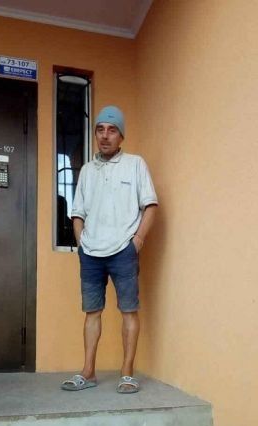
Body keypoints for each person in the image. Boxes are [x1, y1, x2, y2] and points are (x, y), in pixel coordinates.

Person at [61, 106, 158, 393]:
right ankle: (88, 372)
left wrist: (137, 241)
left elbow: (151, 205)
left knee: (129, 310)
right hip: (91, 252)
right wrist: (82, 243)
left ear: (121, 136)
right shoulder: (87, 171)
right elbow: (77, 212)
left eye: (112, 130)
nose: (105, 135)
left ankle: (127, 374)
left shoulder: (135, 164)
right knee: (92, 312)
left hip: (123, 250)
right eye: (100, 129)